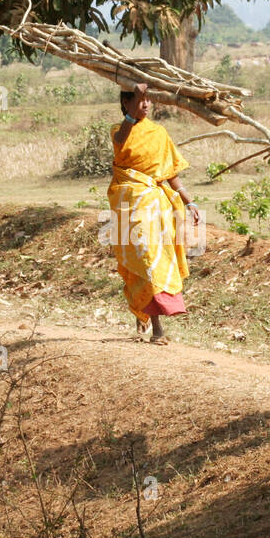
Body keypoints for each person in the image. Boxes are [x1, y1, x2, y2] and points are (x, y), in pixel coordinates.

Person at [106, 83, 201, 344]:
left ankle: (154, 321)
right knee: (143, 260)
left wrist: (190, 202)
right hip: (130, 205)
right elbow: (121, 140)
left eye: (148, 100)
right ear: (125, 104)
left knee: (156, 259)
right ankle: (152, 322)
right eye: (138, 100)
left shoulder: (159, 133)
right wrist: (133, 108)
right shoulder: (119, 130)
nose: (144, 104)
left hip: (158, 207)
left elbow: (171, 174)